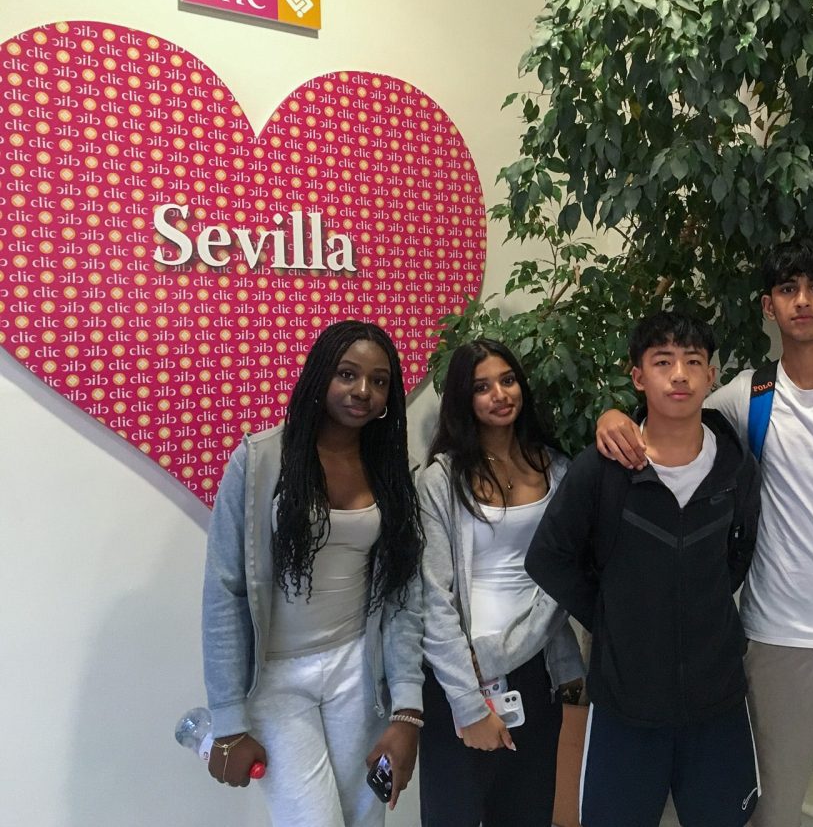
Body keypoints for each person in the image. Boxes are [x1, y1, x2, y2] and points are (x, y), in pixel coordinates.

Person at [596, 237, 813, 826]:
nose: (802, 301)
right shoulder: (746, 398)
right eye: (787, 288)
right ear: (767, 306)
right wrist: (614, 414)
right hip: (774, 643)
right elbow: (672, 414)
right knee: (766, 813)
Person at [526, 311, 761, 827]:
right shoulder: (603, 467)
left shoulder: (736, 467)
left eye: (693, 362)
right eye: (663, 361)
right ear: (637, 376)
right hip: (624, 706)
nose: (679, 375)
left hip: (716, 699)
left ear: (711, 375)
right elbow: (547, 556)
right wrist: (610, 613)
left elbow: (738, 553)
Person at [201, 320, 427, 825]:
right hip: (277, 679)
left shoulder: (393, 471)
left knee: (363, 819)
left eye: (379, 381)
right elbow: (225, 591)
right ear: (320, 376)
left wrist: (407, 709)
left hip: (357, 672)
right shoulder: (259, 460)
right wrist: (228, 719)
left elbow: (402, 596)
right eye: (347, 374)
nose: (363, 390)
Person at [415, 338, 585, 827]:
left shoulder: (558, 470)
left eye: (508, 380)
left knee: (528, 813)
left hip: (535, 667)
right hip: (457, 672)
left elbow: (564, 578)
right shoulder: (440, 481)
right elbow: (433, 596)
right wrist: (468, 700)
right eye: (481, 387)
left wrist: (507, 654)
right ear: (462, 399)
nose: (499, 394)